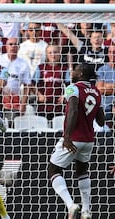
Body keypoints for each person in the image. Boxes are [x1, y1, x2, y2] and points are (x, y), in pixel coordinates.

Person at [48, 63, 105, 219]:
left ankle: (70, 205)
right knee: (82, 171)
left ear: (81, 74)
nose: (72, 72)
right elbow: (101, 121)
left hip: (74, 138)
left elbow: (72, 110)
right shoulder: (97, 92)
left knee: (54, 170)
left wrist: (67, 137)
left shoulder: (73, 88)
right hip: (89, 140)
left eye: (75, 69)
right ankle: (86, 211)